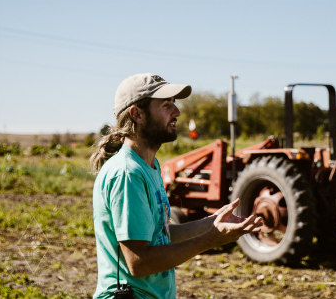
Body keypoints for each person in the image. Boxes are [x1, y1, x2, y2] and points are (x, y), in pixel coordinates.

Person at [90, 73, 263, 299]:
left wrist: (211, 223)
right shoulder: (127, 174)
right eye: (165, 105)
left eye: (174, 104)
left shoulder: (148, 167)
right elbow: (139, 262)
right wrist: (210, 239)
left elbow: (157, 235)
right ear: (137, 114)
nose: (177, 112)